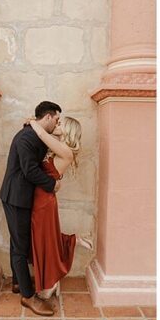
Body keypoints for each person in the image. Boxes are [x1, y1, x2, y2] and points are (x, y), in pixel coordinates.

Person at [0, 101, 61, 317]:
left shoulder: (34, 134)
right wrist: (52, 184)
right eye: (57, 120)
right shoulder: (27, 137)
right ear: (48, 117)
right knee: (21, 246)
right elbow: (30, 170)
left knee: (18, 243)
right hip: (16, 198)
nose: (58, 124)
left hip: (20, 197)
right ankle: (27, 296)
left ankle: (17, 283)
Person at [26, 116, 93, 300]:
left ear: (68, 130)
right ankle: (73, 242)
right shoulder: (59, 146)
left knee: (43, 240)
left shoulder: (65, 150)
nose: (57, 124)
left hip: (44, 201)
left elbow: (40, 133)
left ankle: (50, 283)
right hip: (42, 197)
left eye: (61, 123)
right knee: (44, 238)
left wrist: (33, 121)